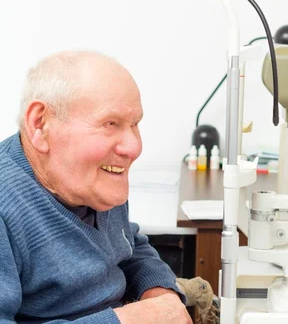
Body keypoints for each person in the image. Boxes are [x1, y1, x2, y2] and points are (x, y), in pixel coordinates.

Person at [0, 51, 192, 324]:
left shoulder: (92, 179)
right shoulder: (6, 207)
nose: (134, 148)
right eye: (110, 124)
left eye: (135, 124)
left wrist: (159, 293)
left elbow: (129, 246)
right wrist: (125, 321)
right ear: (40, 124)